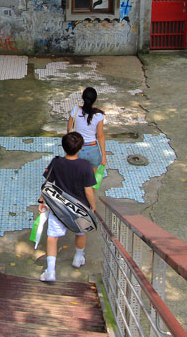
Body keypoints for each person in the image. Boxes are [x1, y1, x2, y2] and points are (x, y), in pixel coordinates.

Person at [37, 131, 96, 281]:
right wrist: (92, 207)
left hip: (58, 207)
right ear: (81, 147)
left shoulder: (56, 162)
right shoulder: (86, 166)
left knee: (52, 237)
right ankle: (78, 258)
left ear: (63, 147)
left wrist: (41, 201)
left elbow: (48, 183)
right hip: (80, 207)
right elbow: (88, 191)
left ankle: (50, 271)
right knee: (81, 233)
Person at [67, 86, 106, 177]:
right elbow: (100, 136)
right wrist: (103, 155)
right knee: (91, 177)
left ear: (82, 98)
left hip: (77, 148)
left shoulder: (75, 110)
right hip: (93, 150)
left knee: (76, 175)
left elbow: (69, 129)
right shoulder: (99, 115)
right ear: (95, 100)